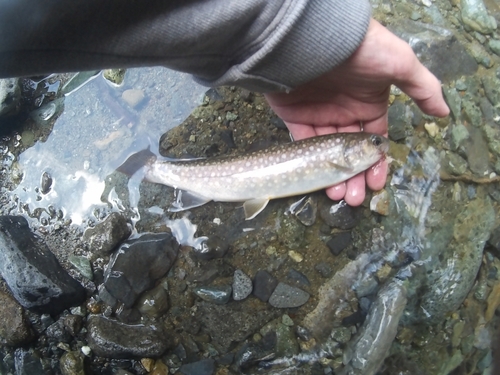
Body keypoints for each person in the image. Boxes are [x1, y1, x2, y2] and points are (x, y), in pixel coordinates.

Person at [0, 0, 449, 205]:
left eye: (371, 145)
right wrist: (302, 32)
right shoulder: (343, 156)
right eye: (372, 146)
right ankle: (154, 167)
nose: (377, 146)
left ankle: (152, 166)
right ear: (349, 152)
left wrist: (301, 34)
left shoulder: (342, 156)